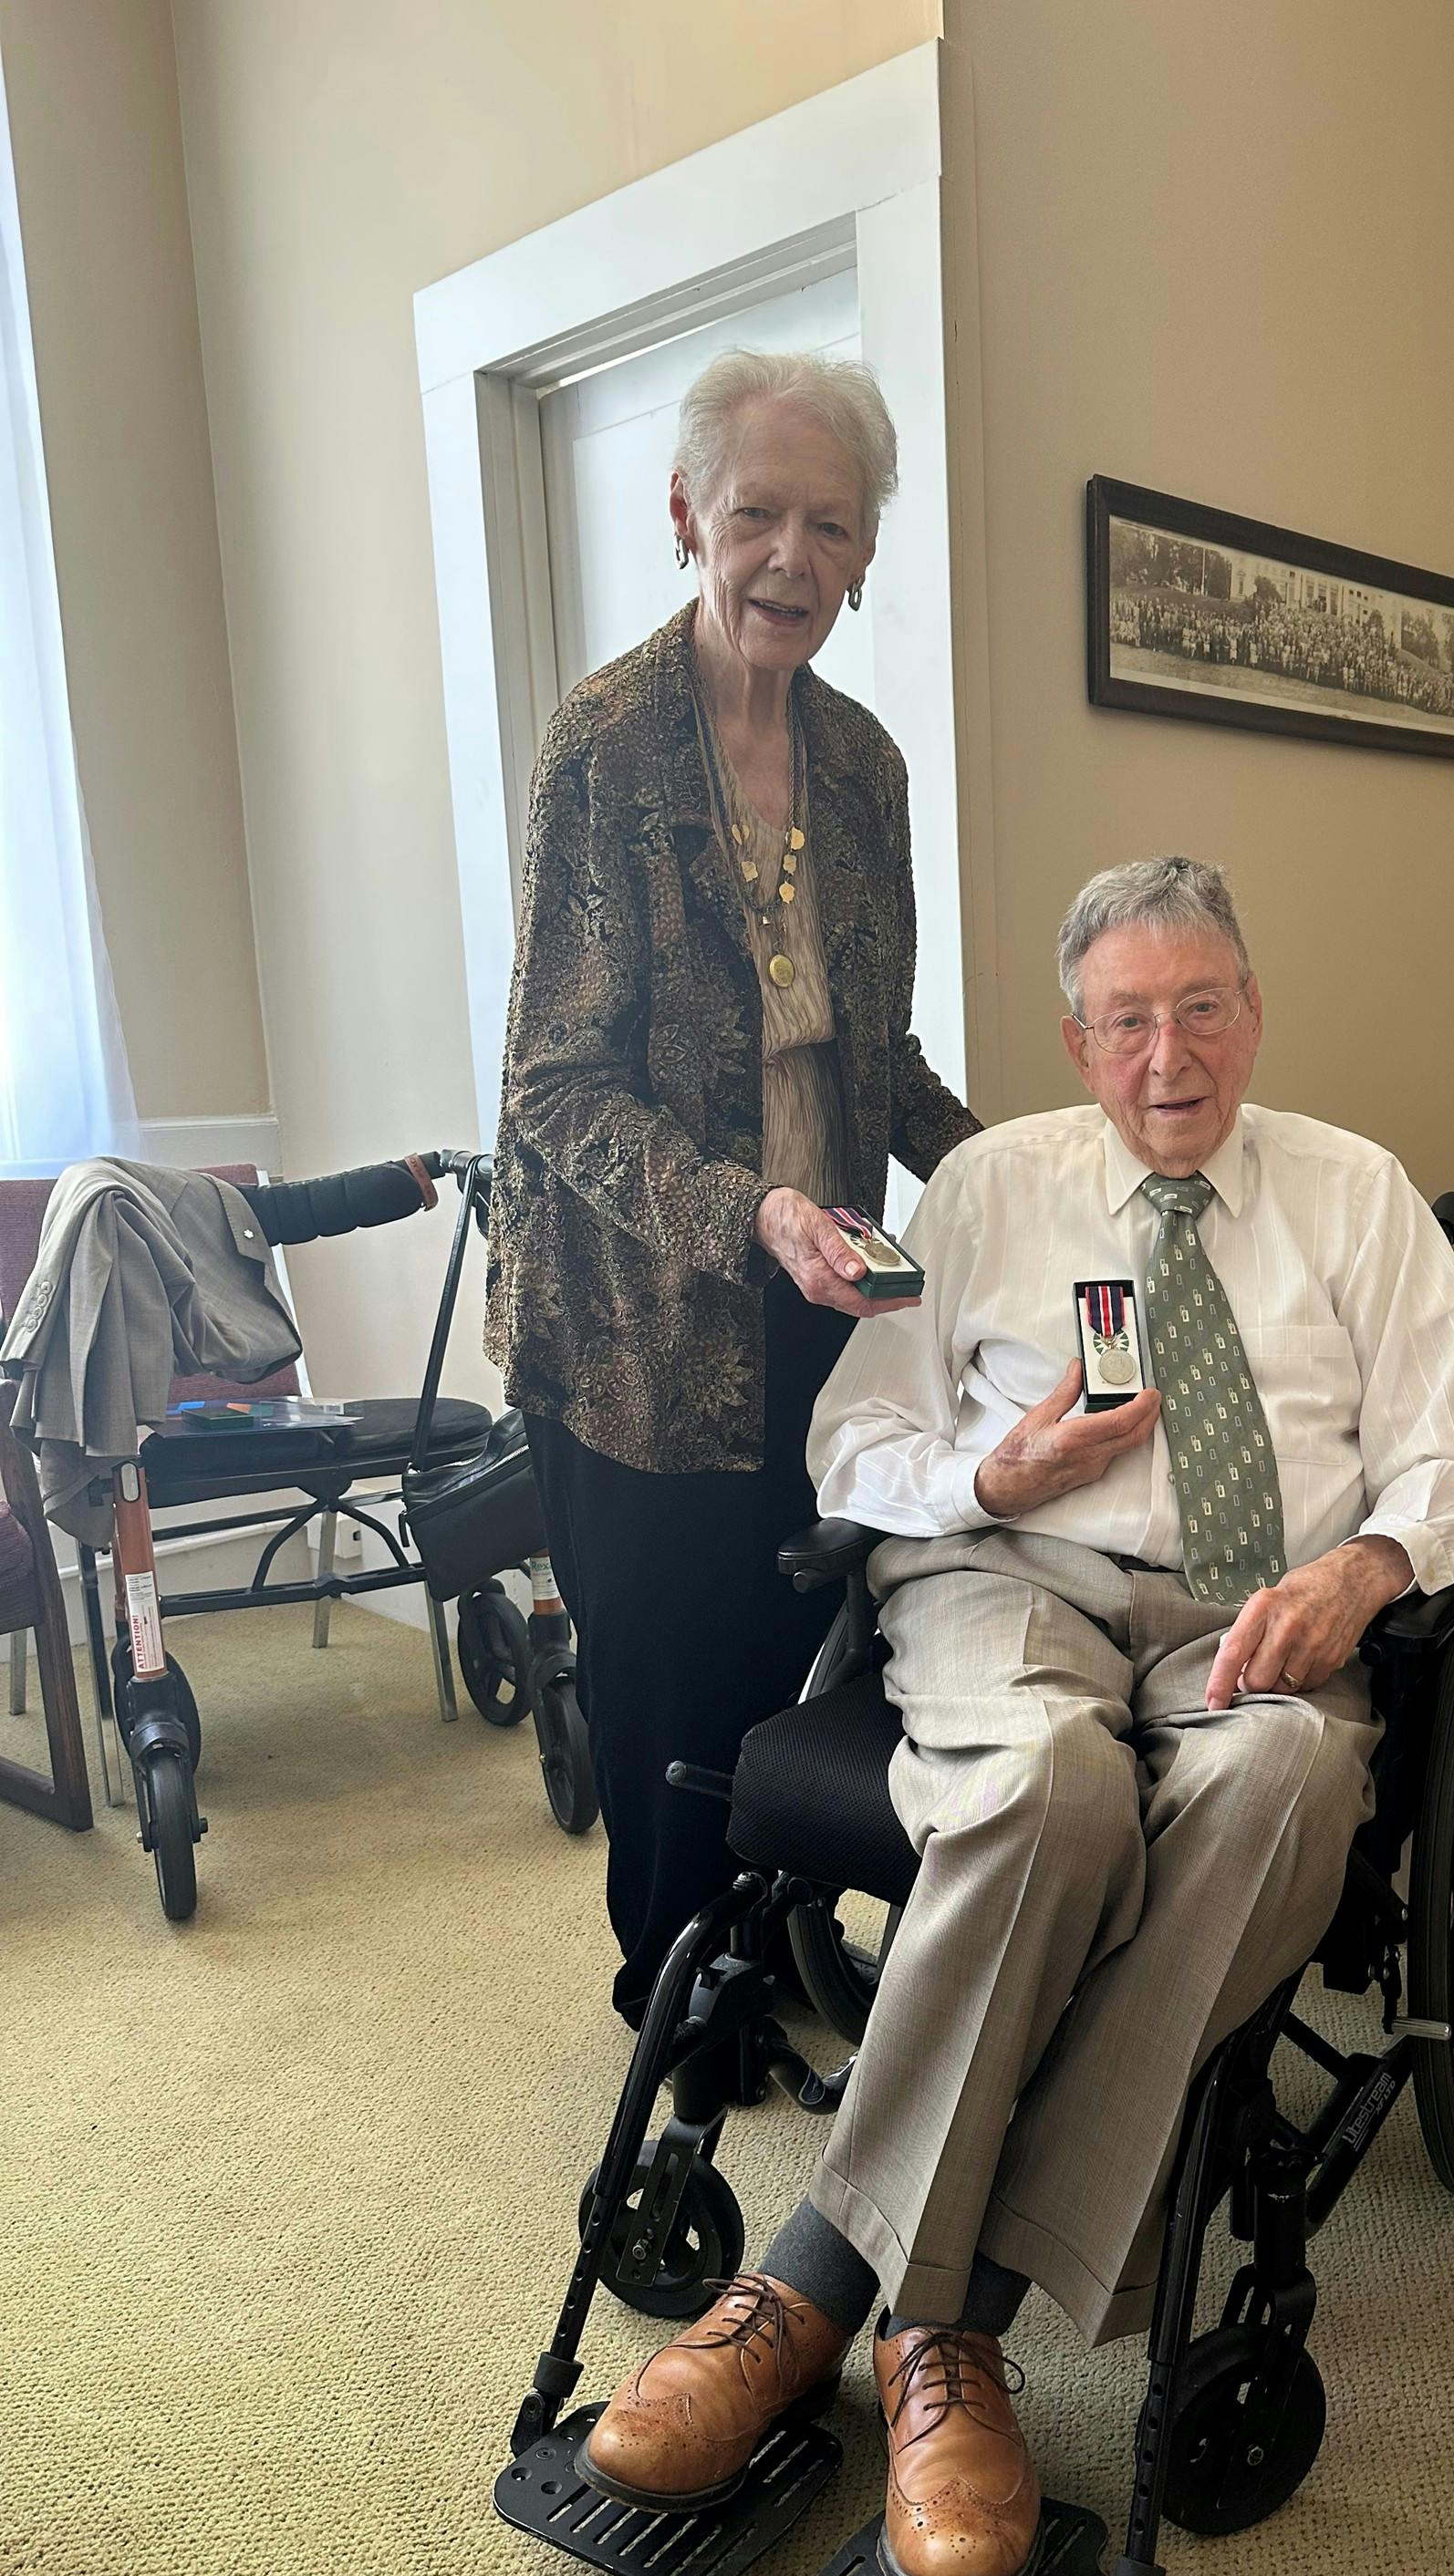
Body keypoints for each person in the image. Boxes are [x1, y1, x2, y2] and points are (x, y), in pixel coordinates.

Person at [574, 854, 1454, 2576]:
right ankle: (877, 2321)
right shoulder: (993, 1188)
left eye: (1205, 1008)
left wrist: (1375, 1566)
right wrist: (984, 1472)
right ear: (1077, 1042)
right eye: (1130, 1021)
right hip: (1012, 1583)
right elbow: (854, 1448)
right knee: (1048, 1790)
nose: (1173, 1057)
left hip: (1261, 1608)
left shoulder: (1359, 1194)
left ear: (1255, 1009)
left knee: (1297, 1768)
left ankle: (909, 2314)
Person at [485, 348, 977, 2027]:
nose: (790, 557)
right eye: (756, 512)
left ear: (864, 550)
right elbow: (553, 1084)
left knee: (793, 1648)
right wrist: (746, 1211)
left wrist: (1015, 1173)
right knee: (664, 1671)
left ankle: (774, 1937)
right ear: (687, 512)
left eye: (828, 525)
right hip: (631, 1308)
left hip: (820, 1293)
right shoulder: (603, 752)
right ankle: (674, 1985)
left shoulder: (865, 769)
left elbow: (876, 1058)